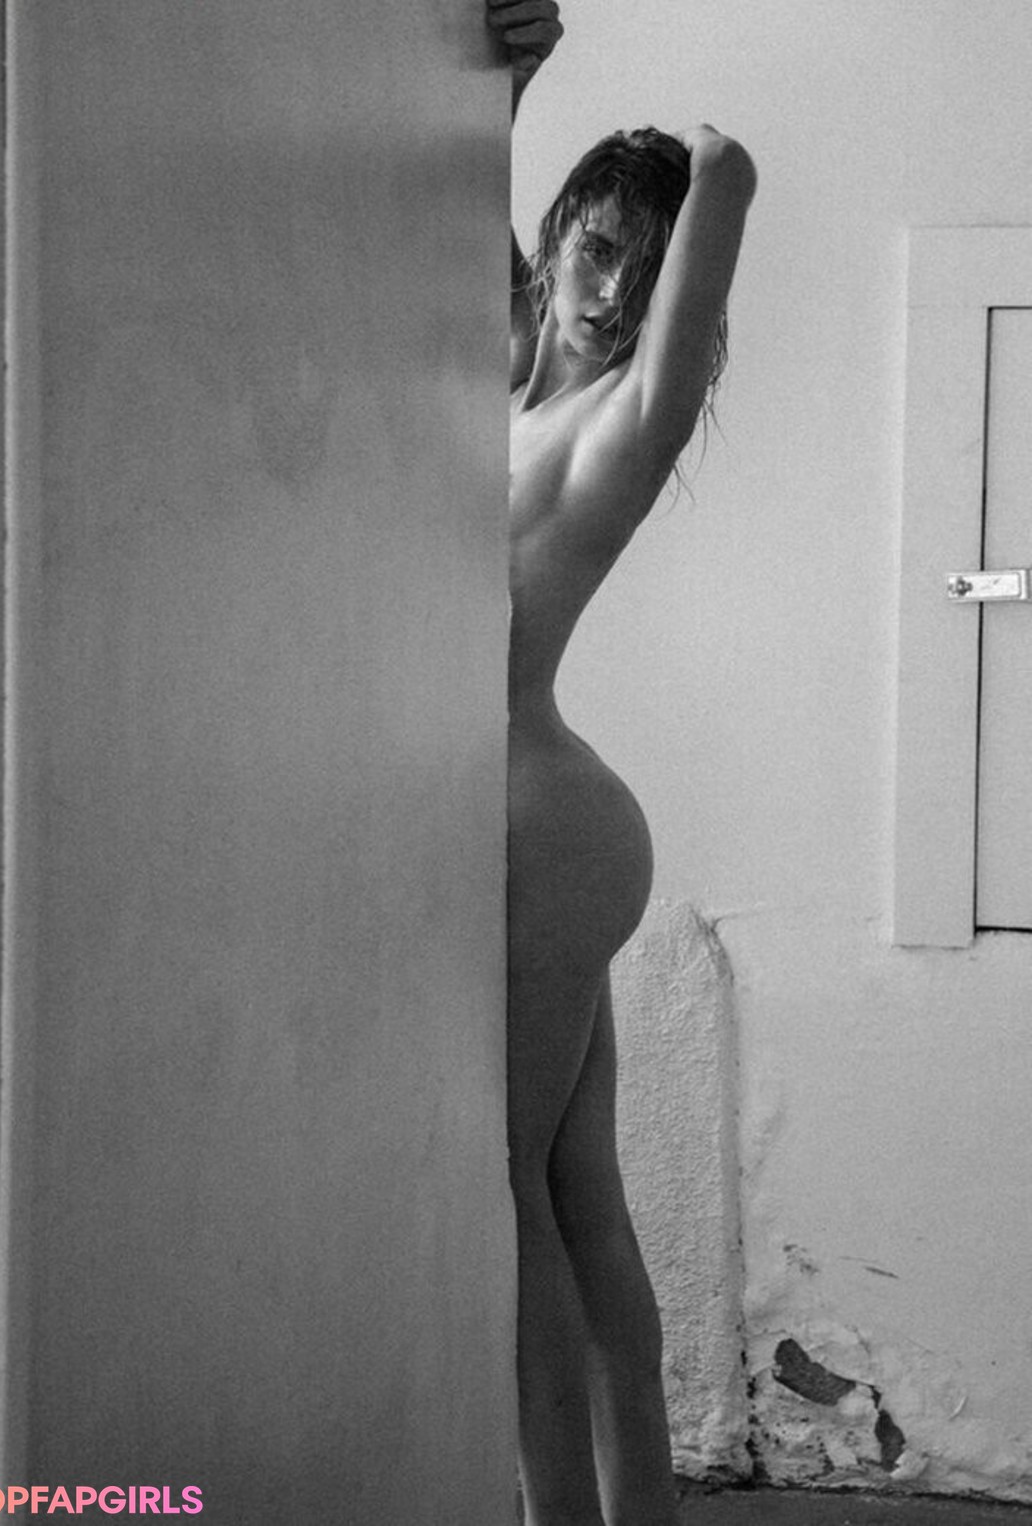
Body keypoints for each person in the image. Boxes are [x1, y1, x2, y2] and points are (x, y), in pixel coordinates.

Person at [486, 4, 756, 1523]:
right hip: (551, 822)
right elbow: (458, 207)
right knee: (581, 1203)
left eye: (640, 276)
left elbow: (726, 188)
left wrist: (709, 165)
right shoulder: (504, 379)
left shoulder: (626, 423)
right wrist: (514, 77)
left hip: (543, 828)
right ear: (557, 235)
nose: (608, 293)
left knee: (502, 1194)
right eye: (595, 249)